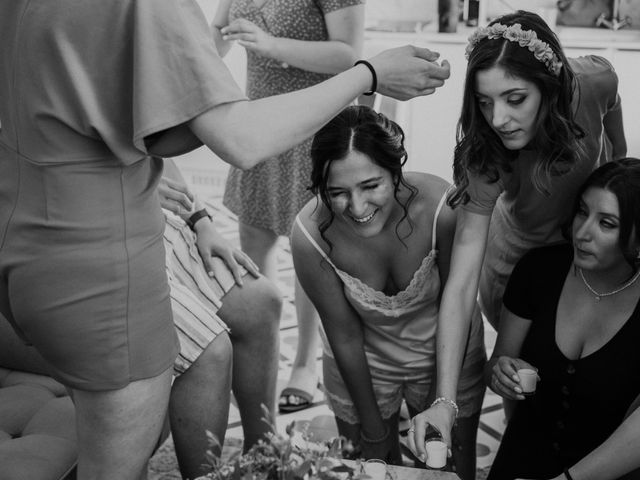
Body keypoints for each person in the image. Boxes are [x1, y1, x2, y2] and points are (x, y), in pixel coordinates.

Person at [0, 0, 451, 477]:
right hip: (97, 260)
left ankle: (261, 458)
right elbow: (240, 138)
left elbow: (125, 121)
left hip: (24, 241)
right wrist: (370, 73)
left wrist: (197, 216)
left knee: (256, 301)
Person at [407, 10, 626, 456]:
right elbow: (462, 282)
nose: (499, 118)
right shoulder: (486, 155)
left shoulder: (594, 80)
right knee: (524, 384)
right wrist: (445, 402)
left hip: (588, 245)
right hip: (514, 260)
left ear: (551, 85)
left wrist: (613, 173)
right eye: (485, 103)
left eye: (514, 98)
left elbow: (615, 128)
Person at [291, 106, 485, 479]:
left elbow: (457, 302)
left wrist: (440, 402)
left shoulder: (440, 209)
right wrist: (374, 428)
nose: (358, 207)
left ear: (395, 171)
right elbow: (343, 335)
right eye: (337, 193)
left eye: (370, 186)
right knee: (372, 466)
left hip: (446, 353)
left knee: (450, 466)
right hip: (362, 361)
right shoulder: (310, 237)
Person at [212, 0, 366, 413]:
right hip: (258, 124)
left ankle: (304, 365)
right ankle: (258, 356)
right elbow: (215, 37)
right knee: (253, 250)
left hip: (314, 128)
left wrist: (270, 45)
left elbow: (350, 54)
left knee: (311, 255)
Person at [485, 158, 640, 480]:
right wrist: (500, 372)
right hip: (523, 456)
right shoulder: (538, 270)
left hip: (607, 470)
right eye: (583, 212)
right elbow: (498, 362)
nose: (582, 233)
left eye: (607, 223)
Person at [159, 159, 281, 480]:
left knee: (260, 302)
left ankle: (263, 459)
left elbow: (155, 155)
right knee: (210, 349)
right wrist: (130, 190)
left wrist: (201, 222)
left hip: (153, 226)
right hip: (95, 238)